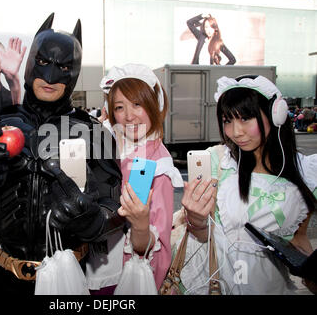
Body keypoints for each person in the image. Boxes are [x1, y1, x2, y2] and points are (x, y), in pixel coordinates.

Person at [0, 13, 124, 295]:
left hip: (67, 279)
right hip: (2, 277)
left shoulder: (94, 132)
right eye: (43, 62)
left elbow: (114, 205)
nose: (51, 75)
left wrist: (94, 220)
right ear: (30, 64)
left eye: (63, 66)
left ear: (74, 72)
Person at [180, 75, 316, 294]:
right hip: (216, 283)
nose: (235, 132)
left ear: (276, 115)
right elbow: (204, 237)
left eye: (245, 119)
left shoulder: (306, 173)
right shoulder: (218, 162)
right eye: (227, 120)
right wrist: (196, 220)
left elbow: (298, 239)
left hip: (269, 286)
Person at [88, 63, 183, 293]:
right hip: (90, 265)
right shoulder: (106, 146)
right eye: (120, 107)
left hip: (119, 278)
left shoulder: (153, 163)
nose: (129, 116)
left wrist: (140, 225)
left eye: (137, 104)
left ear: (154, 106)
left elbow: (154, 246)